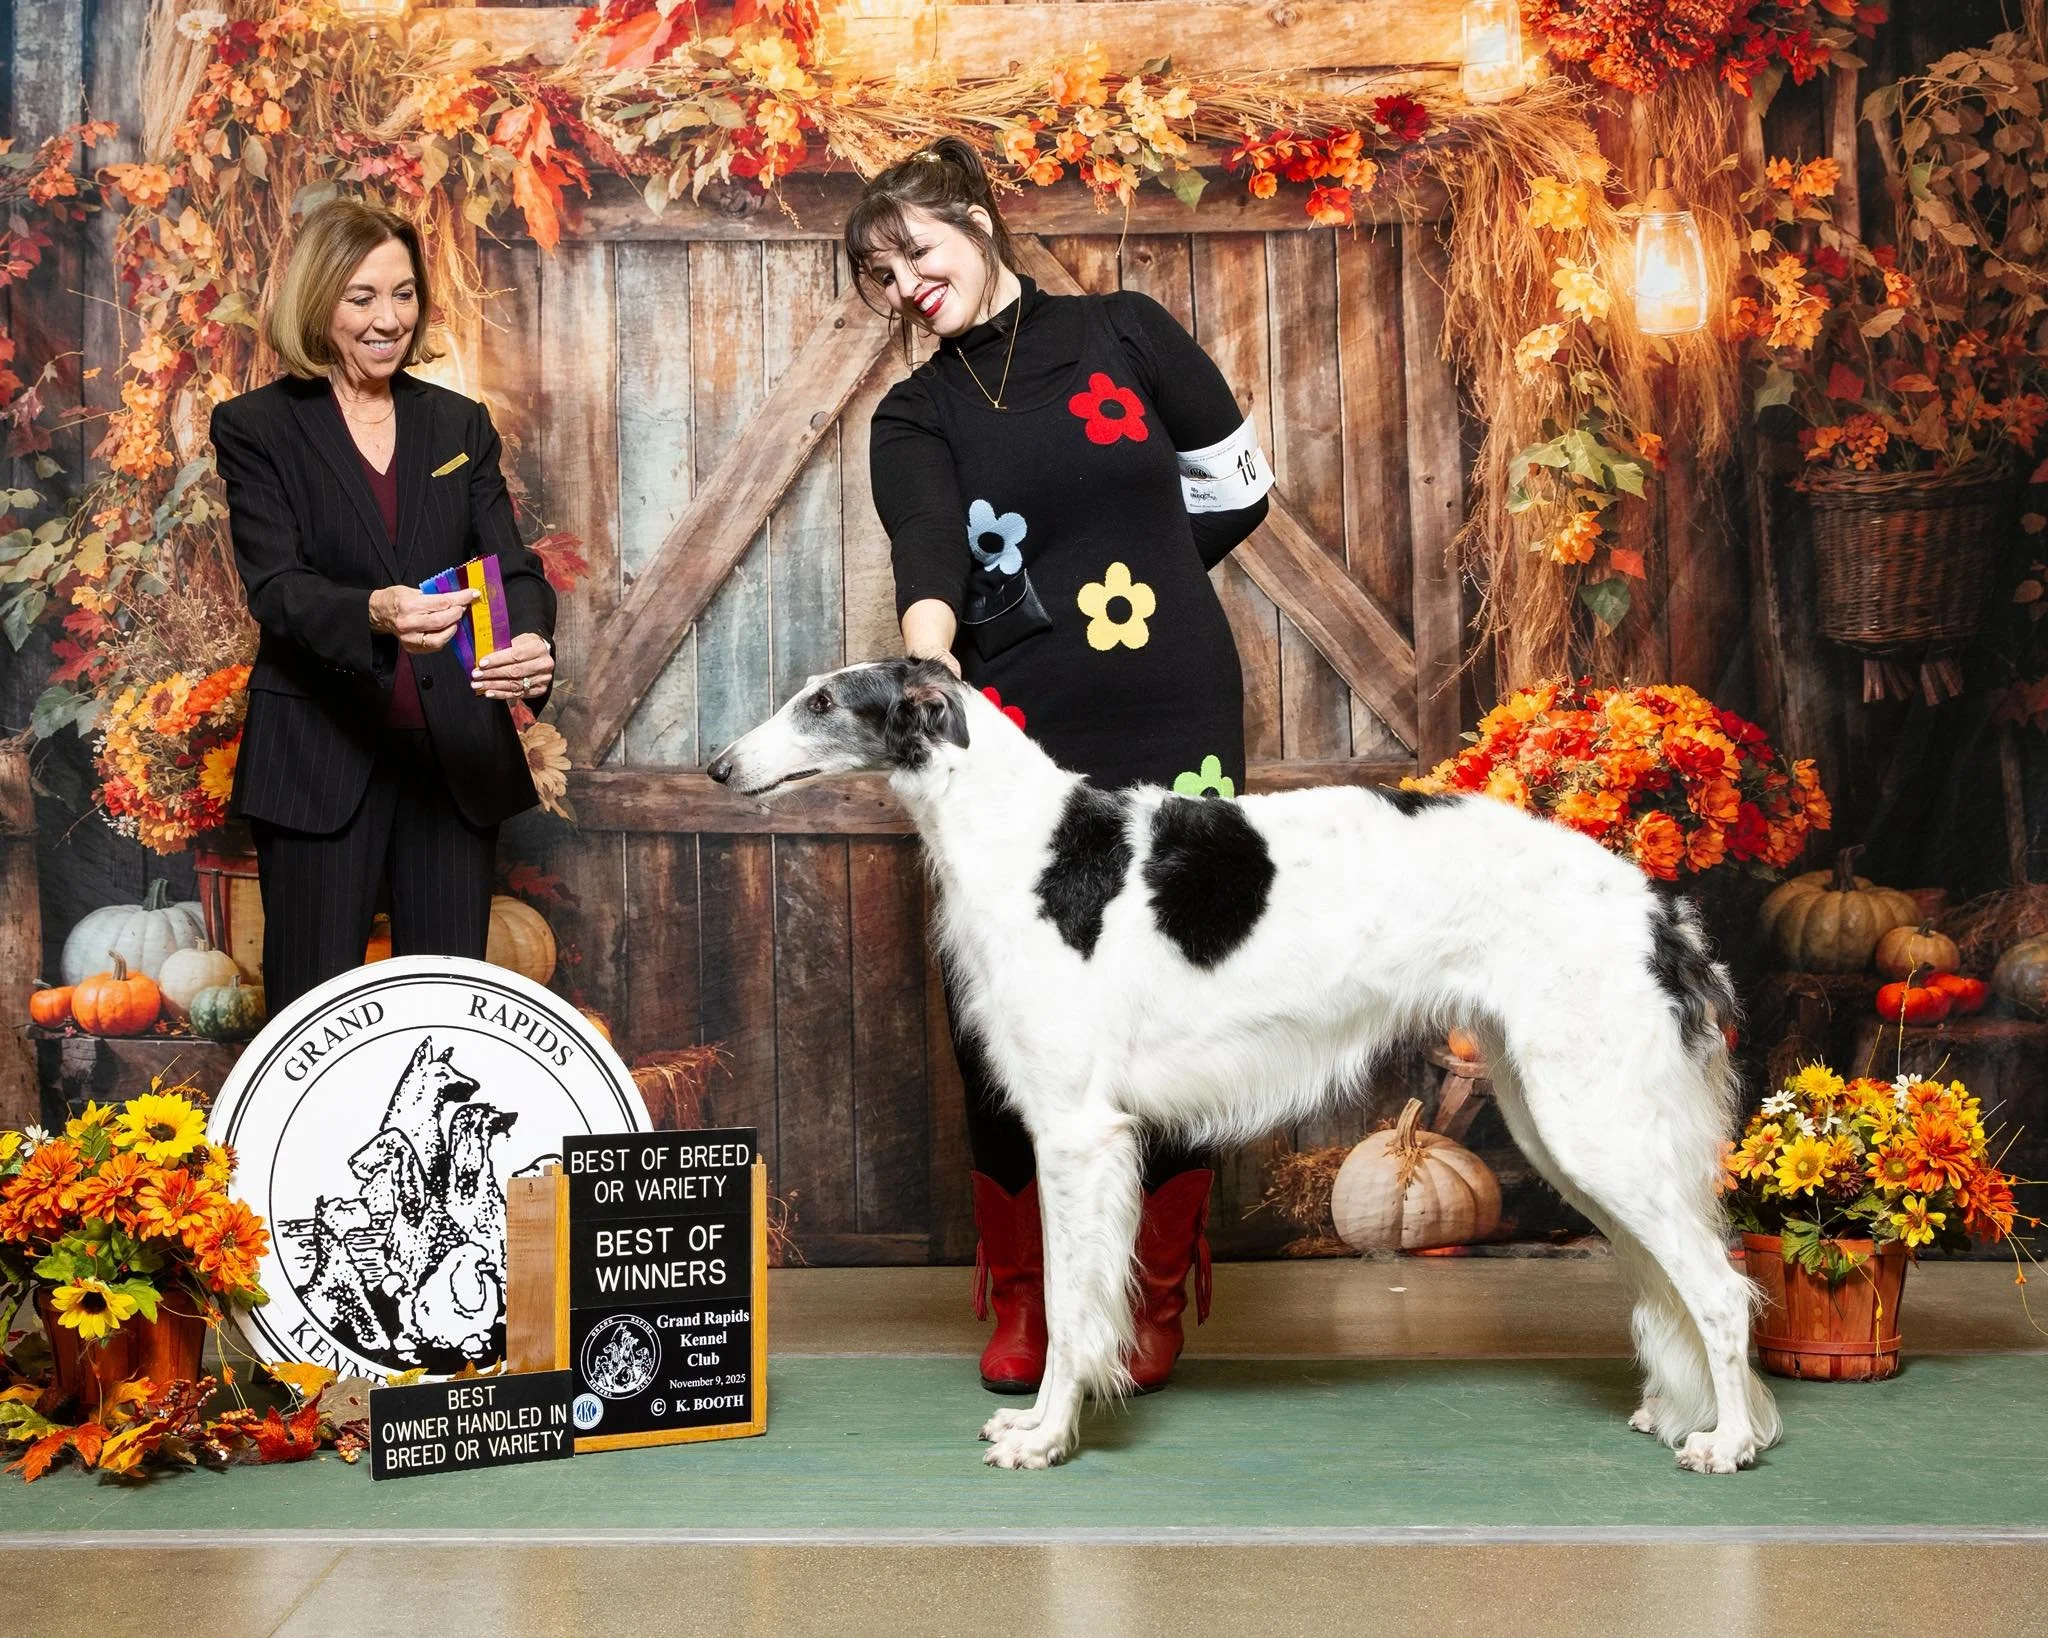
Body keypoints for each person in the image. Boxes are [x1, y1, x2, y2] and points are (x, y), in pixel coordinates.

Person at [848, 139, 1275, 1395]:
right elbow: (925, 561)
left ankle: (1147, 1283)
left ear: (978, 223)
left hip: (1174, 699)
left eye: (915, 252)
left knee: (1186, 982)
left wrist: (1132, 582)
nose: (902, 285)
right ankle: (1029, 1289)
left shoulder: (1125, 333)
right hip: (1019, 729)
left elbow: (1237, 486)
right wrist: (935, 667)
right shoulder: (912, 412)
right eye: (877, 275)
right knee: (1011, 1003)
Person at [211, 198, 557, 1011]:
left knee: (443, 1018)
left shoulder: (458, 424)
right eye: (361, 297)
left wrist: (533, 637)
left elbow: (511, 569)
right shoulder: (256, 426)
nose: (387, 318)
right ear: (319, 299)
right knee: (311, 1018)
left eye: (403, 295)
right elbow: (276, 587)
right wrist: (375, 610)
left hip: (454, 764)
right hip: (318, 763)